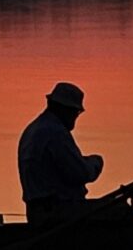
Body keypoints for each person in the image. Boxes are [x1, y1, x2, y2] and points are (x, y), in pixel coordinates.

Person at [17, 81, 105, 225]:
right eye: (76, 112)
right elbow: (80, 173)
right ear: (65, 109)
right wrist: (96, 162)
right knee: (119, 210)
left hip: (37, 212)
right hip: (58, 212)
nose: (76, 117)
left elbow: (62, 165)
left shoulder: (34, 129)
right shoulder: (56, 133)